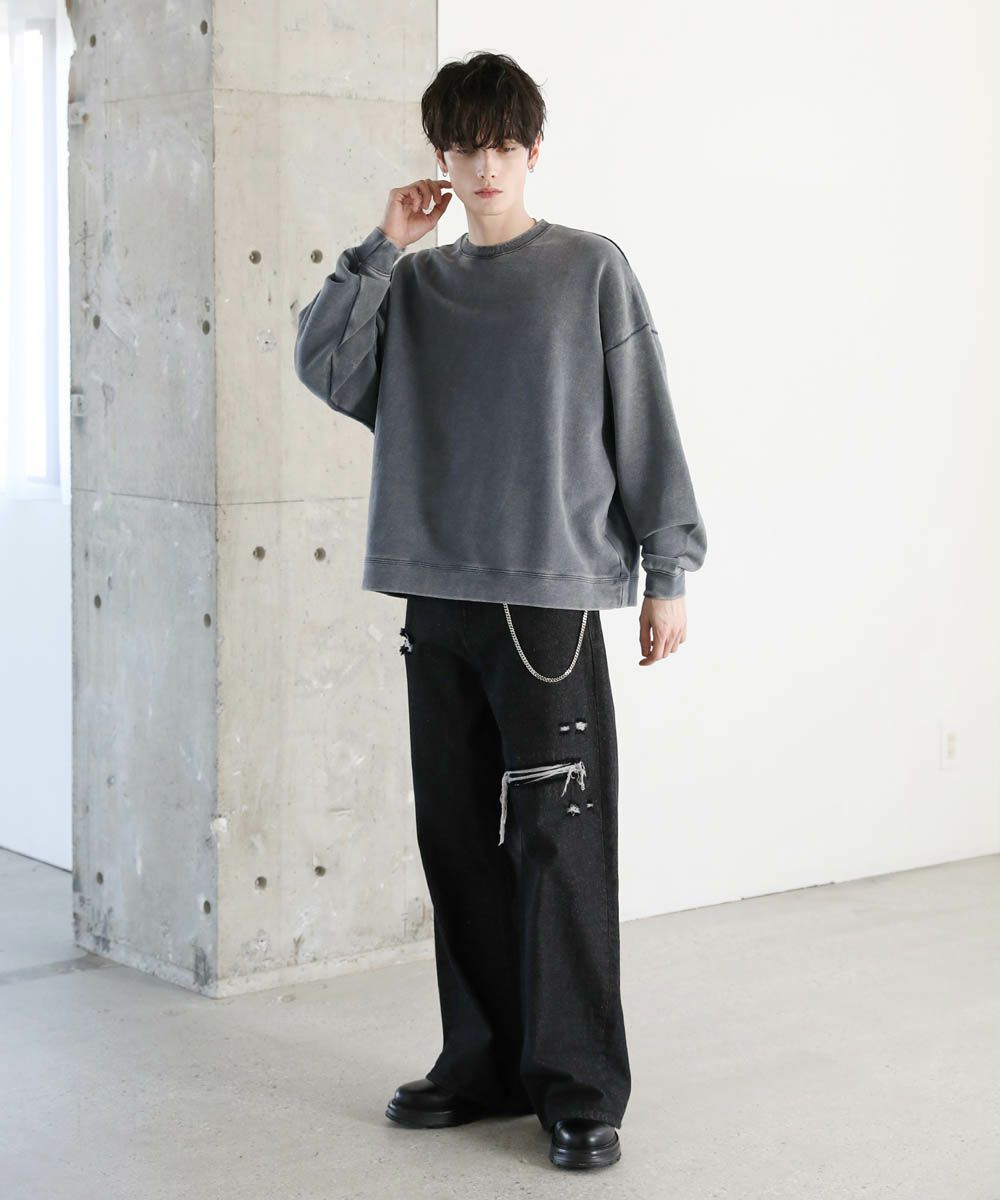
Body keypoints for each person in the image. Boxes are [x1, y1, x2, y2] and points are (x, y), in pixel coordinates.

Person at [293, 50, 707, 1170]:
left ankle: (577, 1088)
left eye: (504, 146)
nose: (485, 166)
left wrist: (666, 571)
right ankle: (479, 1063)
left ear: (533, 151)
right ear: (441, 156)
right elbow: (324, 368)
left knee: (557, 845)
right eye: (466, 148)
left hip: (545, 605)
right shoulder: (415, 286)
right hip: (437, 595)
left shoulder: (588, 270)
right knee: (456, 841)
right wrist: (381, 246)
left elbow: (643, 421)